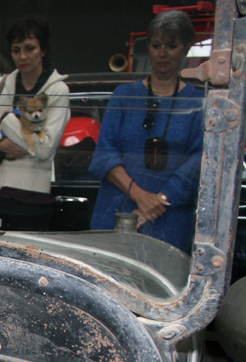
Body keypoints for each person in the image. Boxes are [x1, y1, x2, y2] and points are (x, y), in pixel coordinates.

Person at [88, 10, 206, 252]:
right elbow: (104, 154)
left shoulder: (198, 102)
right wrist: (140, 196)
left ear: (186, 49)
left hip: (170, 222)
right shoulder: (123, 95)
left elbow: (199, 162)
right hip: (115, 215)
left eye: (171, 46)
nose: (162, 53)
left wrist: (159, 200)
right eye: (155, 45)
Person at [0, 18, 69, 232]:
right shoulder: (2, 84)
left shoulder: (57, 90)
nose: (22, 56)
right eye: (16, 50)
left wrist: (8, 121)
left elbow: (44, 148)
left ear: (43, 50)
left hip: (31, 199)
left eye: (30, 48)